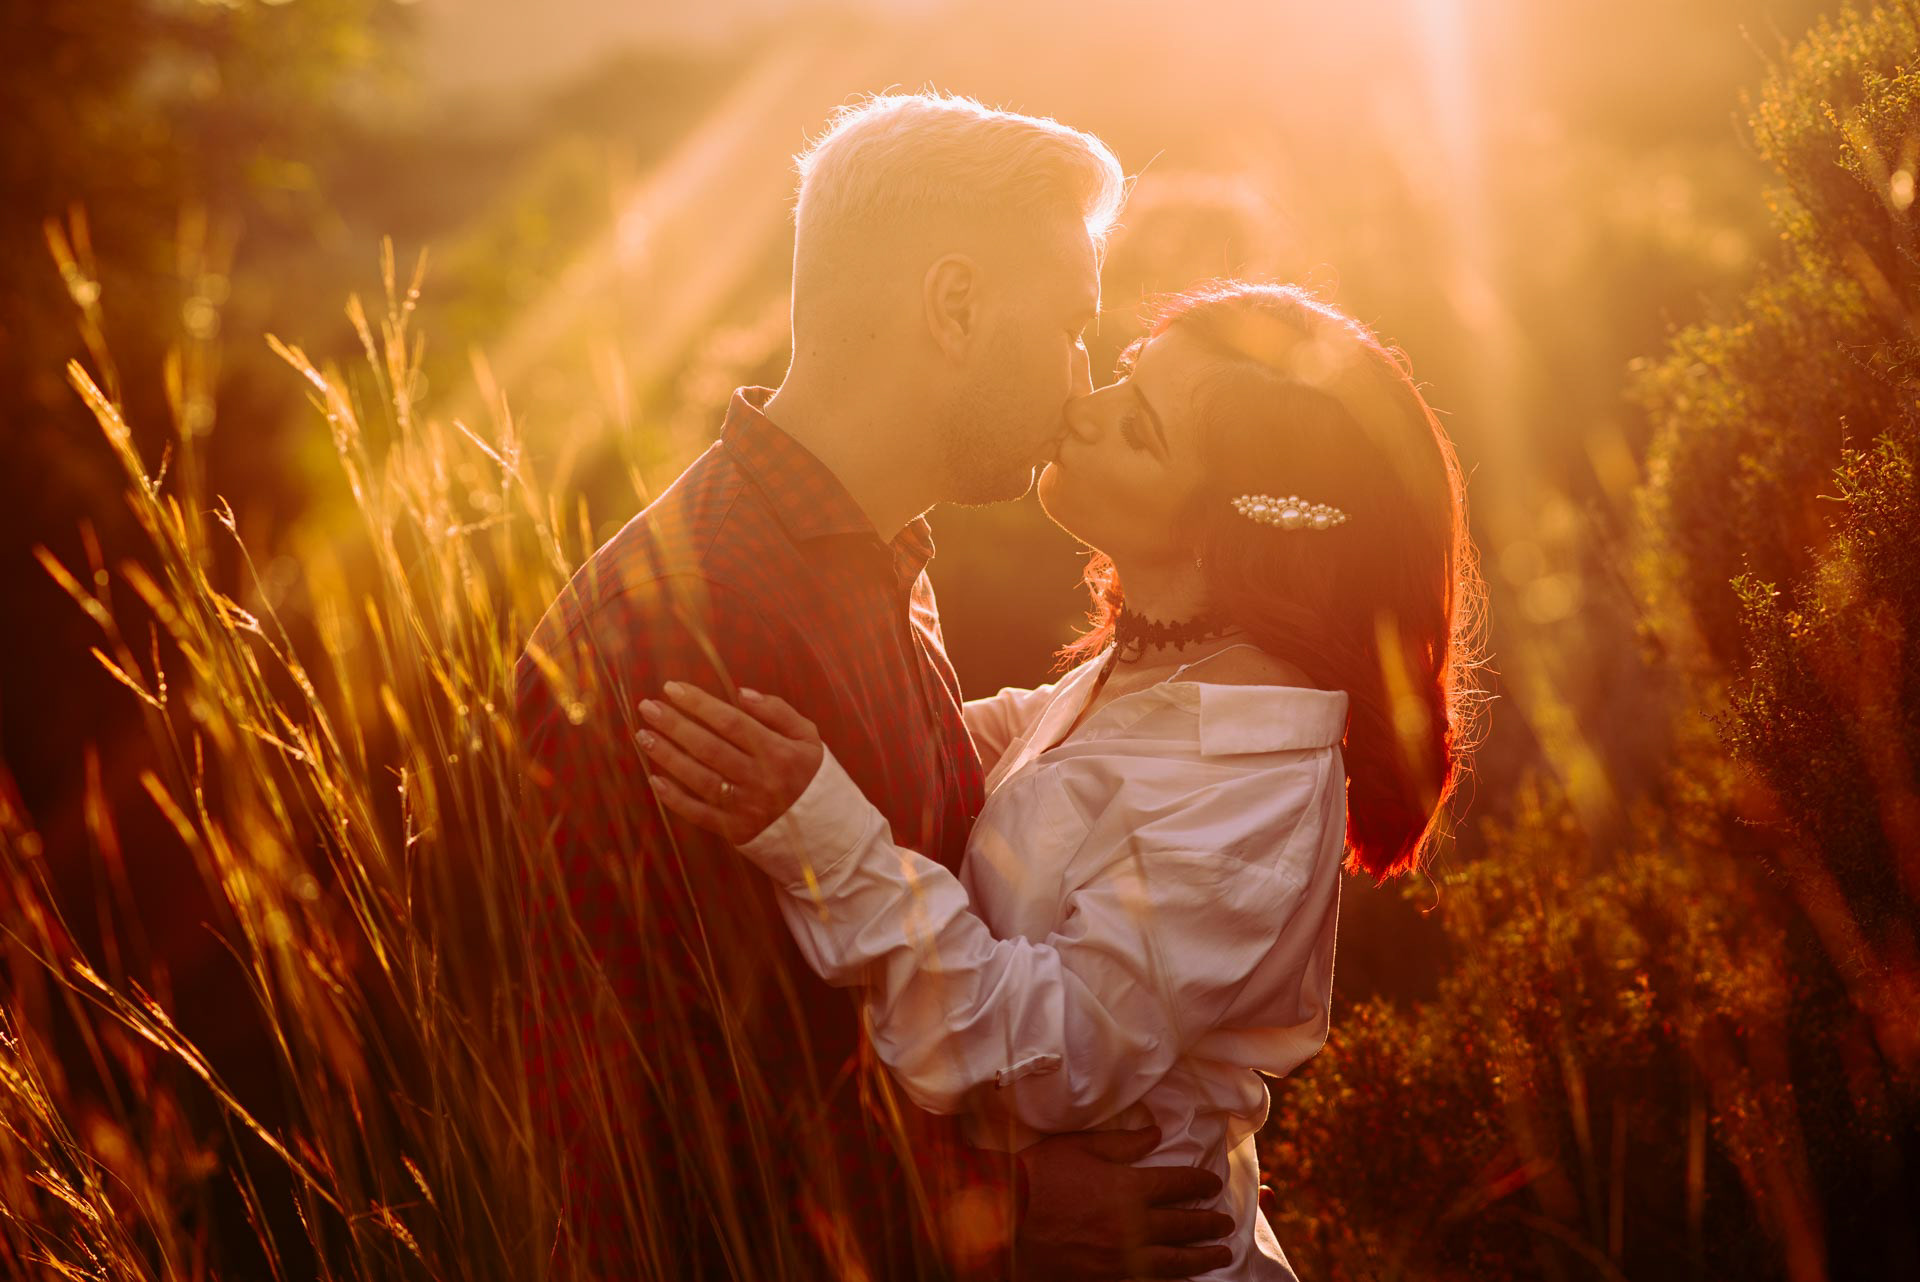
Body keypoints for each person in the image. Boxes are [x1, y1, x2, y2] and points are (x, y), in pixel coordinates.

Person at [514, 92, 1237, 1280]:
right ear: (954, 306)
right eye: (1069, 328)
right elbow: (639, 1141)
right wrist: (1006, 1215)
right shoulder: (683, 630)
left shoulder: (881, 561)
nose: (1078, 383)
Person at [635, 280, 1484, 1280]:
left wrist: (815, 831)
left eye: (1138, 427)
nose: (1084, 406)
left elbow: (1044, 1053)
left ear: (1225, 528)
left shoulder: (1251, 782)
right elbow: (956, 750)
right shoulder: (1158, 669)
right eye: (1125, 372)